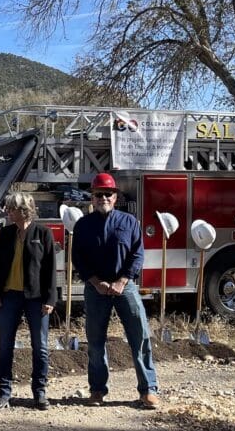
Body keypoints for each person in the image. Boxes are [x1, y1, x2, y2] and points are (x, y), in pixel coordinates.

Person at [72, 173, 159, 409]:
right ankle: (97, 390)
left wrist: (122, 281)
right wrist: (95, 282)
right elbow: (78, 258)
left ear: (115, 197)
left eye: (108, 194)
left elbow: (137, 254)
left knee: (140, 337)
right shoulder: (83, 225)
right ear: (92, 197)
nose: (103, 198)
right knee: (95, 341)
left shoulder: (129, 222)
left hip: (125, 287)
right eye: (98, 194)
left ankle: (148, 390)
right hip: (96, 289)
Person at [0, 192, 56, 411]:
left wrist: (50, 298)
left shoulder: (43, 233)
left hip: (36, 298)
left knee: (40, 347)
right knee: (5, 346)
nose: (8, 212)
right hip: (9, 296)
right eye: (8, 208)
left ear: (24, 210)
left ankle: (40, 392)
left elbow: (50, 268)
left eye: (12, 209)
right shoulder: (6, 233)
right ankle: (3, 393)